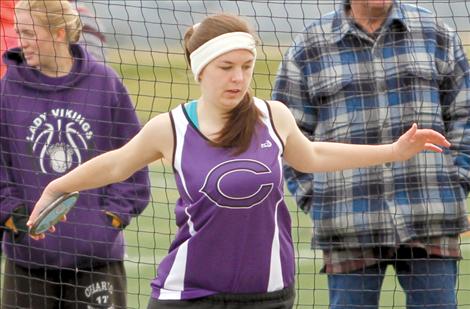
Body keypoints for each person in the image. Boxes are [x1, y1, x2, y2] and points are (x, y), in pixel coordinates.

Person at [26, 13, 452, 309]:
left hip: (267, 294)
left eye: (246, 66)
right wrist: (58, 186)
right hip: (188, 293)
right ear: (200, 69)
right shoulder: (169, 128)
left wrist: (394, 152)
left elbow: (315, 154)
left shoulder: (272, 116)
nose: (238, 78)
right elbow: (117, 164)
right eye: (226, 67)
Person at [273, 0, 470, 308]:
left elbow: (465, 113)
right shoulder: (309, 46)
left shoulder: (436, 34)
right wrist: (317, 199)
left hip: (431, 215)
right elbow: (288, 133)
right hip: (346, 222)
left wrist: (457, 181)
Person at [0, 1, 150, 308]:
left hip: (96, 262)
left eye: (29, 32)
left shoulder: (105, 83)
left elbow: (134, 158)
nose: (19, 41)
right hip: (28, 264)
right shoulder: (7, 89)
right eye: (18, 32)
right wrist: (14, 219)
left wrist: (110, 220)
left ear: (58, 33)